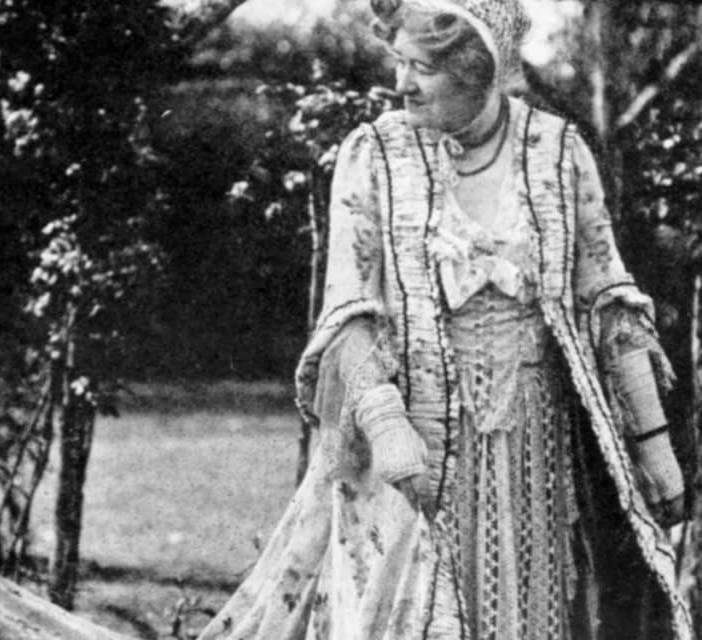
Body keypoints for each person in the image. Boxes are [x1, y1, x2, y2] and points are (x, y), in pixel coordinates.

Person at [197, 0, 694, 638]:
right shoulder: (373, 155)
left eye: (420, 68)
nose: (399, 84)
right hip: (410, 457)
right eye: (397, 62)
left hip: (531, 454)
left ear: (478, 66)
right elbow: (350, 310)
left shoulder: (560, 152)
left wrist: (654, 447)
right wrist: (386, 425)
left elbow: (609, 301)